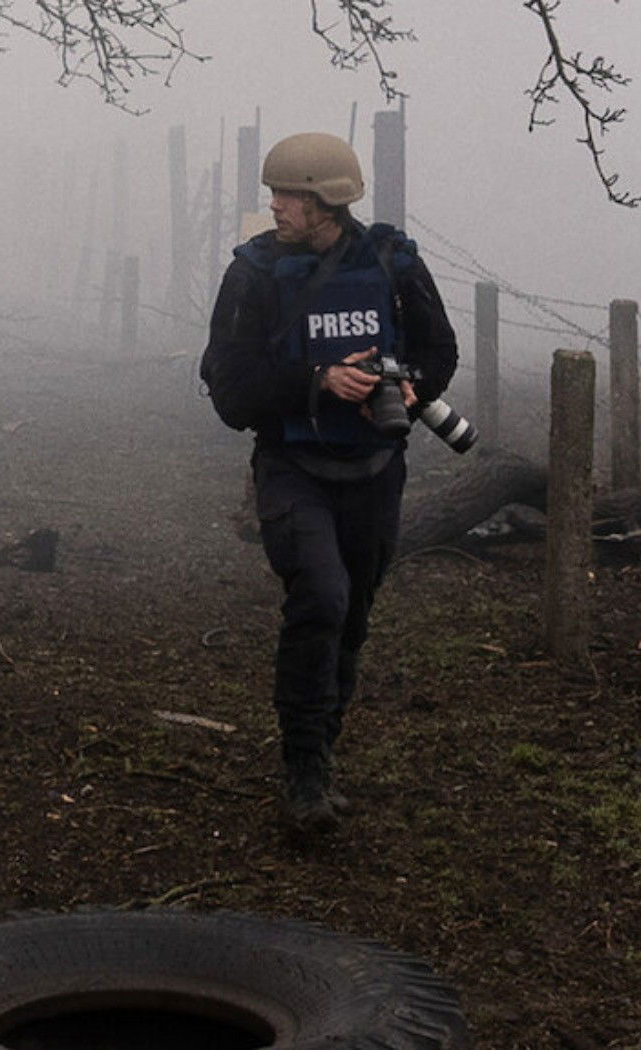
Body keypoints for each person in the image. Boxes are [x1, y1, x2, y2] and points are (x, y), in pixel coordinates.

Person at [199, 131, 458, 833]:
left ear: (329, 201)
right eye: (275, 193)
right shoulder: (252, 275)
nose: (275, 206)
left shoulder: (392, 262)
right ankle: (303, 773)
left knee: (353, 617)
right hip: (292, 468)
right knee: (321, 595)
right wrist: (315, 380)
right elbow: (229, 390)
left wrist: (410, 389)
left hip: (375, 471)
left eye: (291, 195)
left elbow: (439, 351)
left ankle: (323, 752)